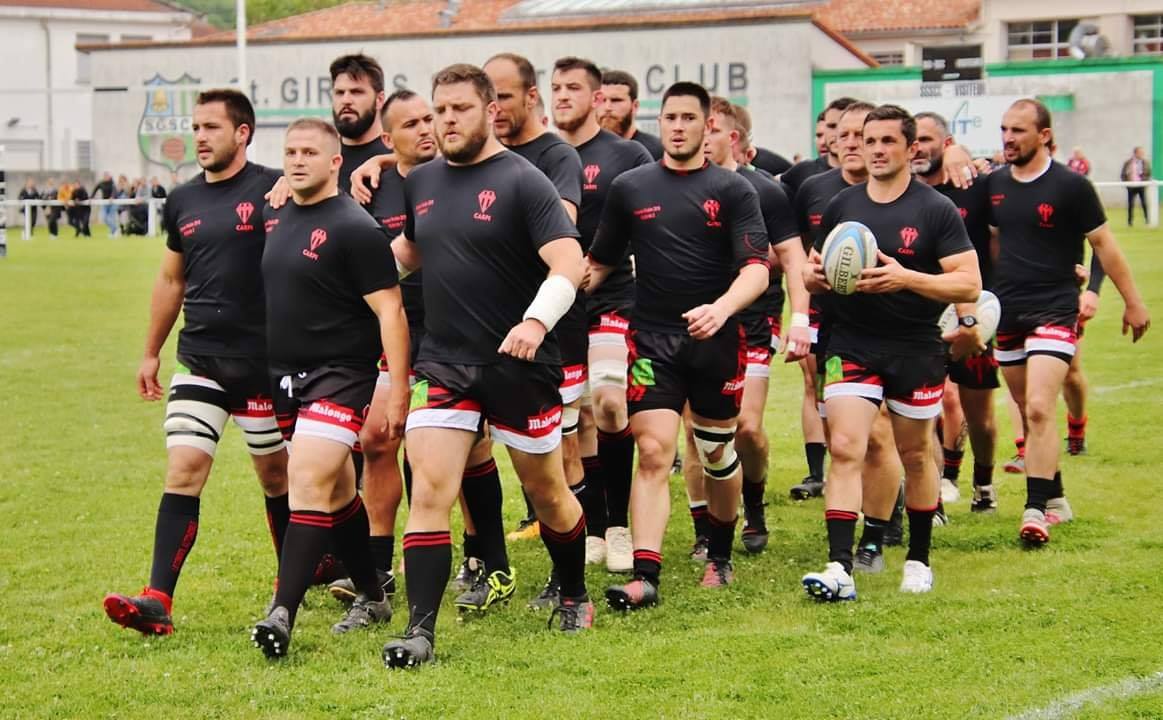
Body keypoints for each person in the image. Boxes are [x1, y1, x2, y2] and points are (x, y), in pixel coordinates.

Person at [383, 63, 592, 669]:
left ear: (489, 112)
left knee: (548, 493)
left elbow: (569, 264)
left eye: (460, 109)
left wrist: (534, 322)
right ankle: (420, 632)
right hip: (445, 364)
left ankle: (574, 592)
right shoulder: (421, 181)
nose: (446, 120)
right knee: (431, 492)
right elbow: (411, 251)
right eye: (439, 108)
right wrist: (356, 281)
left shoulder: (524, 181)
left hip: (519, 366)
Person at [103, 89, 289, 637]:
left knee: (276, 477)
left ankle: (292, 584)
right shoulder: (182, 199)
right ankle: (158, 599)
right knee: (183, 469)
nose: (199, 137)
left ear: (243, 133)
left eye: (211, 126)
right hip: (200, 359)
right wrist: (150, 351)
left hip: (265, 364)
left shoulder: (275, 187)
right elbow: (170, 279)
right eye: (196, 126)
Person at [589, 81, 769, 608]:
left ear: (708, 125)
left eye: (689, 118)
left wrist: (722, 308)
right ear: (660, 120)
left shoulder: (733, 190)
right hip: (651, 344)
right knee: (651, 451)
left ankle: (720, 553)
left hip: (717, 342)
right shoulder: (631, 187)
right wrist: (552, 298)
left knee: (716, 454)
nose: (678, 127)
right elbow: (600, 262)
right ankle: (646, 575)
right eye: (670, 117)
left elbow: (757, 268)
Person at [801, 104, 981, 600]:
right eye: (868, 139)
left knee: (917, 455)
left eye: (887, 142)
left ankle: (919, 558)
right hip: (852, 342)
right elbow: (813, 271)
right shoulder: (842, 205)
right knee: (845, 447)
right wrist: (813, 278)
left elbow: (969, 281)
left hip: (915, 348)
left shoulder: (935, 210)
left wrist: (905, 278)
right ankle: (839, 567)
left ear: (910, 149)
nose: (875, 150)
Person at [251, 117, 409, 658]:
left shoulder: (355, 227)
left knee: (307, 480)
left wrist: (401, 385)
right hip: (285, 377)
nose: (297, 161)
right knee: (337, 492)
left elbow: (391, 309)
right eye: (290, 152)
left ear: (335, 161)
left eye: (309, 153)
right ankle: (372, 593)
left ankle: (282, 614)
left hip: (342, 374)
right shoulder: (279, 213)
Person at [990, 99, 1150, 545]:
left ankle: (1035, 509)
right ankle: (1055, 495)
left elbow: (1104, 245)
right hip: (1007, 311)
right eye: (1004, 129)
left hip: (1056, 307)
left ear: (1043, 135)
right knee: (1025, 407)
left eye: (1018, 130)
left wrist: (1131, 301)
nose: (1008, 138)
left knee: (1040, 406)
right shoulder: (993, 187)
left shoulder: (1071, 186)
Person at [325, 88, 438, 606]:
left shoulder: (458, 173)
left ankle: (484, 561)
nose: (426, 129)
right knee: (378, 440)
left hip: (453, 333)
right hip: (392, 332)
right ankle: (377, 563)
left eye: (430, 118)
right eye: (411, 123)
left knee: (445, 452)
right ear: (390, 138)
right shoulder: (374, 185)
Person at [546, 56, 653, 593]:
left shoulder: (628, 155)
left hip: (611, 294)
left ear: (597, 97)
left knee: (609, 403)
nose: (563, 95)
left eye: (574, 88)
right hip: (555, 303)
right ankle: (586, 523)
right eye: (556, 87)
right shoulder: (541, 154)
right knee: (569, 425)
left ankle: (618, 526)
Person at [480, 53, 584, 589]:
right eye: (486, 96)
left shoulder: (553, 158)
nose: (492, 107)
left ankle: (574, 559)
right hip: (476, 334)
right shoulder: (471, 160)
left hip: (544, 324)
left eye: (501, 95)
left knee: (556, 453)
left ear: (530, 96)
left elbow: (560, 235)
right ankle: (485, 562)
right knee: (459, 456)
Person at [693, 95, 810, 555]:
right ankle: (705, 530)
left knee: (746, 429)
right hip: (695, 321)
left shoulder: (765, 191)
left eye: (710, 129)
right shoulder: (677, 185)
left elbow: (794, 260)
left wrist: (800, 318)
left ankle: (754, 504)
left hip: (752, 325)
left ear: (731, 137)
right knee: (698, 433)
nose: (700, 137)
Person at [912, 111, 1000, 512]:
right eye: (915, 139)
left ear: (946, 144)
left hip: (975, 311)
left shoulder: (973, 186)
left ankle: (983, 482)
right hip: (923, 315)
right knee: (932, 402)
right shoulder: (903, 192)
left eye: (929, 139)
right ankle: (940, 490)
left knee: (979, 415)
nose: (920, 147)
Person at [331, 54, 391, 194]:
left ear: (379, 100)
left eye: (356, 92)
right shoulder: (324, 160)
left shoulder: (396, 155)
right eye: (339, 93)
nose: (346, 100)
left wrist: (383, 161)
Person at [598, 69, 664, 160]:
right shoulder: (582, 151)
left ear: (635, 106)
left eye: (616, 100)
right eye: (602, 100)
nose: (607, 107)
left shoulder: (658, 151)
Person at [1120, 147, 1151, 226]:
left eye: (1142, 153)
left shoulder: (1145, 162)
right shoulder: (1128, 163)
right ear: (1135, 153)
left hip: (1141, 185)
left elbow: (1148, 173)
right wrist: (1126, 184)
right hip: (1131, 186)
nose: (1141, 154)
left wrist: (1144, 181)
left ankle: (1147, 220)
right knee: (1131, 204)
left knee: (1144, 203)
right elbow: (1123, 174)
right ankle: (1130, 222)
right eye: (1140, 152)